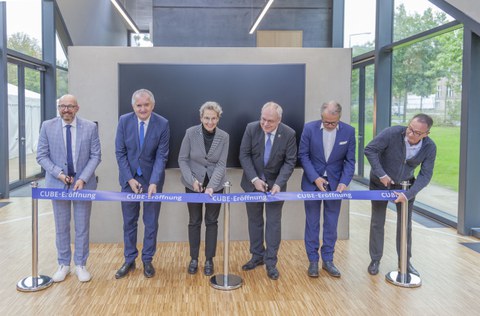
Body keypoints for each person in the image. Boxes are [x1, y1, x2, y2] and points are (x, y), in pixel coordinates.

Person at [36, 94, 101, 283]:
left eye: (70, 106)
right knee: (61, 226)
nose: (66, 110)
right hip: (57, 184)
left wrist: (82, 178)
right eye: (63, 106)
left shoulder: (90, 127)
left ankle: (81, 264)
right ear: (58, 108)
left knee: (82, 227)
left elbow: (96, 156)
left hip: (83, 185)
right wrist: (59, 174)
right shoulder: (47, 127)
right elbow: (41, 155)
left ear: (77, 108)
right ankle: (63, 264)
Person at [365, 113, 436, 277]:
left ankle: (404, 262)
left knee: (405, 225)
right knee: (377, 221)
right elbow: (370, 150)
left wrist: (409, 194)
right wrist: (381, 174)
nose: (411, 134)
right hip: (379, 183)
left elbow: (426, 175)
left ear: (426, 134)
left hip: (405, 187)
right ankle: (375, 260)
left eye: (417, 133)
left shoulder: (429, 147)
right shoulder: (392, 133)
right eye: (410, 128)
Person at [114, 89, 170, 279]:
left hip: (152, 182)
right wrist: (129, 179)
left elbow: (161, 156)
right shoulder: (124, 121)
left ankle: (147, 259)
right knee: (129, 222)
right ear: (133, 106)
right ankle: (129, 259)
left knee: (151, 223)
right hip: (128, 181)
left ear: (152, 105)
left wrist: (154, 181)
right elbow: (120, 153)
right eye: (139, 105)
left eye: (146, 105)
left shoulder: (162, 124)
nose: (143, 108)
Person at [239, 101, 297, 280]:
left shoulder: (288, 134)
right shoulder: (251, 128)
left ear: (279, 120)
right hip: (252, 184)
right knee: (254, 221)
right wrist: (255, 179)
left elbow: (290, 161)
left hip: (276, 187)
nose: (265, 124)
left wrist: (279, 183)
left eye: (270, 121)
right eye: (263, 119)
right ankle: (257, 256)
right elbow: (244, 155)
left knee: (273, 223)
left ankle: (271, 262)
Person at [298, 101, 356, 278]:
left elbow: (350, 161)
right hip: (311, 183)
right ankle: (313, 261)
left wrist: (344, 182)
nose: (329, 125)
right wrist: (315, 178)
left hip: (335, 185)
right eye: (326, 122)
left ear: (339, 118)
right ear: (321, 117)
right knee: (312, 223)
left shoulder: (349, 131)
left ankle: (328, 260)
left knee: (331, 224)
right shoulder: (309, 129)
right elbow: (303, 155)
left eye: (333, 122)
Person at [178, 101, 229, 276]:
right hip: (192, 185)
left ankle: (209, 260)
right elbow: (182, 159)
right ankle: (193, 259)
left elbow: (221, 164)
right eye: (206, 118)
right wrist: (192, 181)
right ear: (201, 117)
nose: (210, 122)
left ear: (218, 119)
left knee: (212, 222)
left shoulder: (224, 136)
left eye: (213, 118)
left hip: (216, 186)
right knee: (194, 221)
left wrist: (212, 187)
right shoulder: (190, 133)